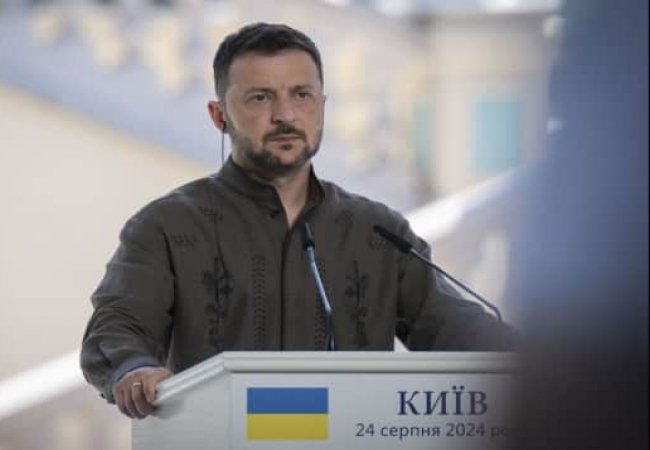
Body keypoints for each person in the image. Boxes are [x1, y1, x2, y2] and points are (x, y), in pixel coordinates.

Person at [80, 22, 512, 420]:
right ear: (218, 116)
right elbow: (117, 326)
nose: (285, 115)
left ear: (322, 106)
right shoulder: (168, 226)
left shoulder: (378, 231)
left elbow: (453, 326)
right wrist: (134, 369)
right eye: (260, 97)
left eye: (301, 95)